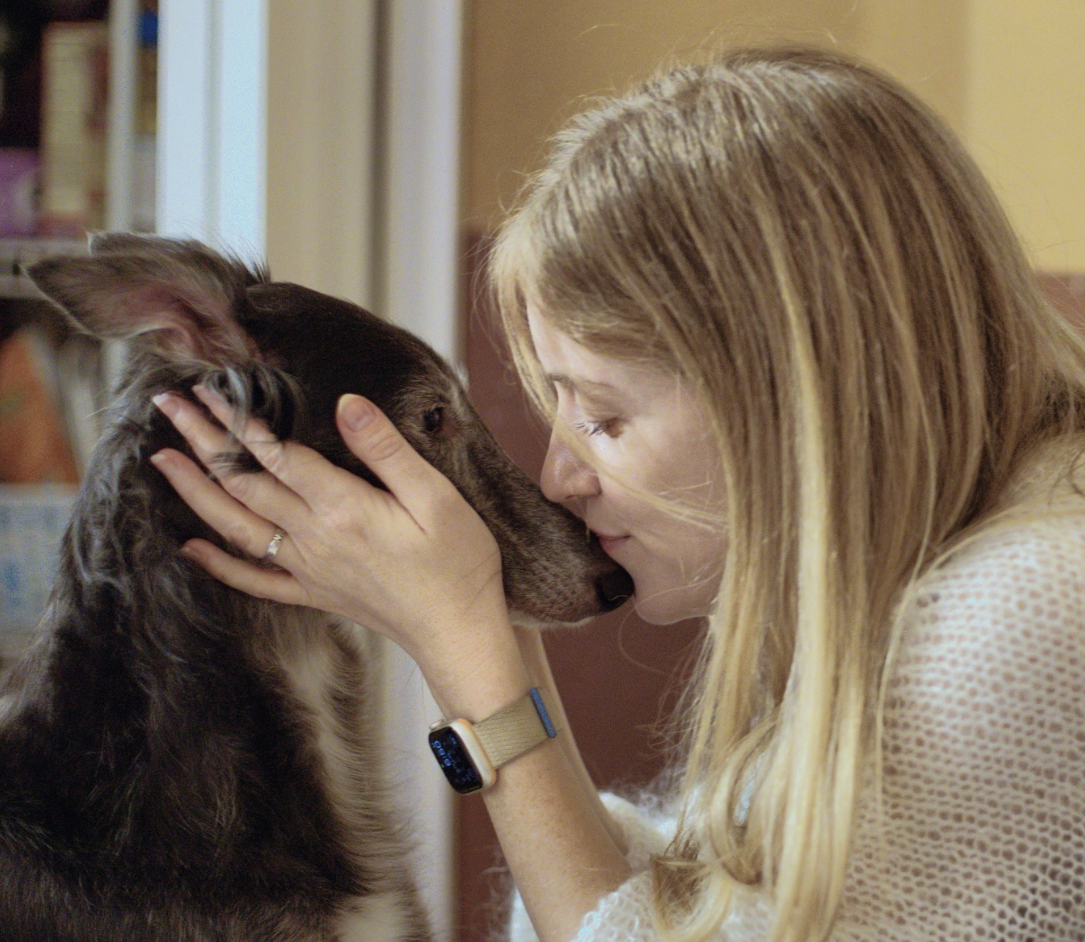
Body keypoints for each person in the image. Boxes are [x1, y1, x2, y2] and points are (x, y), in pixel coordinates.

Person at [149, 46, 1085, 942]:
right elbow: (691, 909)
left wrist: (465, 646)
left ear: (791, 398)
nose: (560, 476)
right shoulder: (940, 580)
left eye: (601, 414)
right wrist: (486, 610)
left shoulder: (1024, 615)